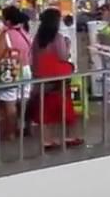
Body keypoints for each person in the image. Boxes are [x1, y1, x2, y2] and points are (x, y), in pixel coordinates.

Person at [30, 8, 80, 149]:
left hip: (42, 80)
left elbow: (33, 58)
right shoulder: (57, 38)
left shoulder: (37, 39)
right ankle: (70, 136)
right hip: (58, 81)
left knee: (45, 112)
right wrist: (68, 46)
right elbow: (63, 57)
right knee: (65, 109)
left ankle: (47, 140)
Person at [0, 6, 32, 141]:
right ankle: (24, 127)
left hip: (11, 71)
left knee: (10, 103)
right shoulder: (25, 32)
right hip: (26, 69)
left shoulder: (6, 35)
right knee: (23, 101)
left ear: (7, 21)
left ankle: (11, 133)